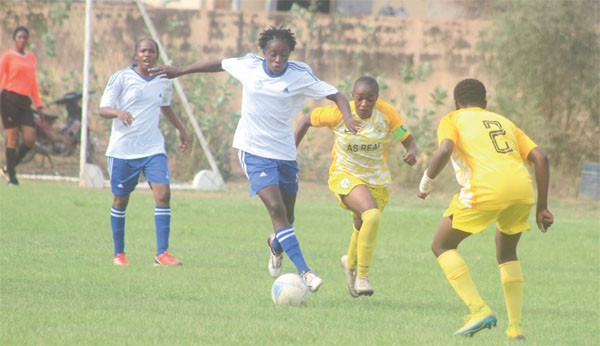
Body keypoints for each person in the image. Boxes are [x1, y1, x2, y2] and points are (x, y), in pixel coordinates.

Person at [150, 26, 359, 291]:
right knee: (276, 209)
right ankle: (306, 272)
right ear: (264, 52)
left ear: (290, 54)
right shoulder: (249, 65)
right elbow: (219, 64)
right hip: (253, 150)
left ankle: (276, 244)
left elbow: (337, 95)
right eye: (273, 53)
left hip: (284, 152)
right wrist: (180, 70)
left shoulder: (300, 74)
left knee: (288, 215)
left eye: (283, 54)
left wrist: (348, 117)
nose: (278, 59)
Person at [417, 78, 554, 340]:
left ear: (457, 103)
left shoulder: (453, 119)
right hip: (522, 191)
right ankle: (515, 329)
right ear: (486, 103)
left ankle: (478, 309)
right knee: (507, 253)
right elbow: (541, 158)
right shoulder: (505, 122)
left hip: (486, 190)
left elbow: (445, 148)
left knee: (441, 245)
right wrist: (542, 207)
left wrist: (426, 182)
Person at [295, 76, 417, 297]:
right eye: (360, 99)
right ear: (352, 97)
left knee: (362, 225)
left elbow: (404, 136)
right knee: (372, 216)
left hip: (376, 180)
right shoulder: (339, 114)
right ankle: (362, 276)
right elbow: (306, 120)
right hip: (345, 175)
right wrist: (289, 150)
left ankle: (349, 262)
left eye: (369, 100)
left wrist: (412, 150)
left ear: (376, 99)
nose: (364, 104)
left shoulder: (386, 114)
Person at [99, 38, 191, 266]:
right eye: (143, 51)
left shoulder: (164, 80)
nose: (147, 54)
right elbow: (103, 108)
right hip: (123, 150)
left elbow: (165, 106)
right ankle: (119, 254)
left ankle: (162, 254)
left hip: (152, 148)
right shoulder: (121, 77)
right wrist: (118, 113)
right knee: (120, 200)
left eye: (151, 51)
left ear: (156, 55)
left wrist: (181, 129)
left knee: (163, 194)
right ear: (135, 55)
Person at [0, 26, 46, 186]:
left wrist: (39, 105)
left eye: (24, 37)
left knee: (29, 138)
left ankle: (9, 167)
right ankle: (12, 177)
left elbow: (33, 82)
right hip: (8, 99)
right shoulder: (7, 56)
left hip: (24, 101)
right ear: (14, 39)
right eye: (19, 37)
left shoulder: (31, 57)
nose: (22, 40)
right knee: (12, 137)